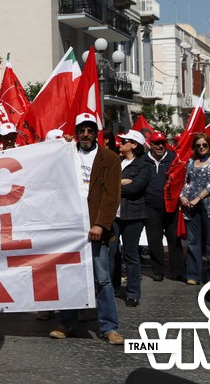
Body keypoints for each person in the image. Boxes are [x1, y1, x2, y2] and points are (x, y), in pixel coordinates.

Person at [50, 113, 123, 345]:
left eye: (90, 130)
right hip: (71, 227)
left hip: (96, 227)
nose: (85, 135)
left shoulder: (110, 159)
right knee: (70, 276)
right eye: (81, 130)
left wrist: (100, 224)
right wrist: (60, 144)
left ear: (96, 133)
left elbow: (112, 196)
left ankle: (109, 327)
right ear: (76, 133)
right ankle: (66, 322)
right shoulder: (66, 154)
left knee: (102, 279)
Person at [112, 130, 153, 307]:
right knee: (112, 252)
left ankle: (133, 292)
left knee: (130, 254)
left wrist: (114, 185)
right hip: (114, 214)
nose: (120, 144)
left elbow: (136, 188)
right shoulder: (117, 161)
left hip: (133, 215)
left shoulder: (144, 165)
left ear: (134, 145)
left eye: (124, 141)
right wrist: (121, 182)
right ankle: (113, 287)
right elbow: (104, 181)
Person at [180, 132, 210, 286]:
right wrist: (182, 196)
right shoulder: (191, 162)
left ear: (209, 145)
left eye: (204, 144)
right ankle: (193, 274)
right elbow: (186, 181)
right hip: (190, 206)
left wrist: (198, 198)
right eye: (198, 145)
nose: (201, 147)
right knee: (193, 241)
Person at [143, 131, 185, 282]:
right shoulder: (143, 160)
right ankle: (158, 271)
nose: (160, 146)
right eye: (157, 144)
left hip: (170, 206)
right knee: (154, 239)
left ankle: (179, 270)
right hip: (150, 206)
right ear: (151, 145)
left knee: (174, 239)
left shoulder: (173, 159)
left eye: (162, 143)